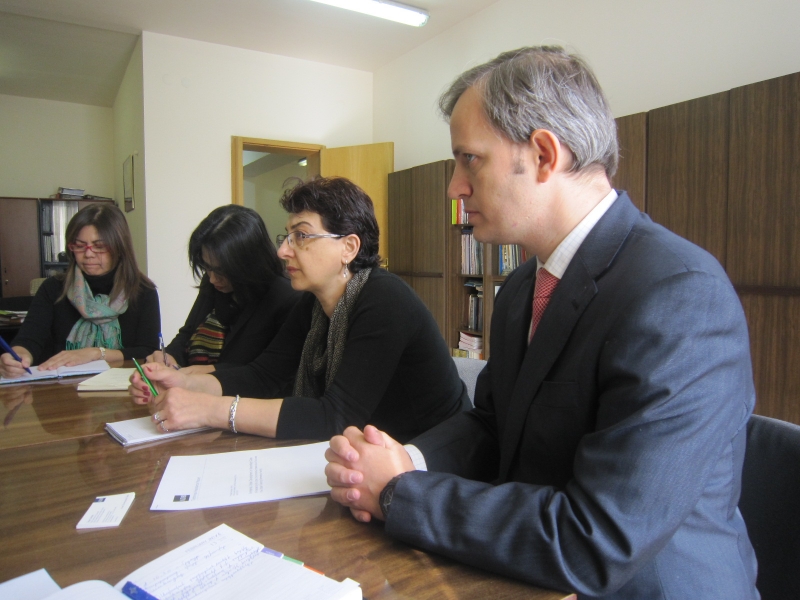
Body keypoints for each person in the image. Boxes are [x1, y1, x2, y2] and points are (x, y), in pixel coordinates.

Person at [324, 46, 759, 599]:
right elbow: (493, 425)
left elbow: (597, 539)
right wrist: (402, 460)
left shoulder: (679, 295)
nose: (454, 188)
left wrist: (401, 493)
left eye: (469, 159)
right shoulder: (522, 289)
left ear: (545, 155)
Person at [130, 177, 470, 442]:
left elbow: (335, 416)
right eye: (287, 236)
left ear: (349, 247)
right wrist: (183, 383)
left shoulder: (386, 299)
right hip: (370, 450)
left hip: (433, 453)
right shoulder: (313, 303)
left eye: (302, 236)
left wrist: (210, 410)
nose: (283, 251)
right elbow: (263, 376)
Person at [1, 203, 160, 377]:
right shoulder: (53, 288)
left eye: (99, 246)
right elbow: (29, 340)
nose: (88, 254)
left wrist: (96, 353)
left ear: (120, 248)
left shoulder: (143, 291)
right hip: (59, 387)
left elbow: (148, 352)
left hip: (124, 385)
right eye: (79, 245)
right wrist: (17, 356)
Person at [146, 205, 300, 374]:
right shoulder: (213, 284)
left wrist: (199, 375)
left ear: (250, 262)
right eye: (207, 267)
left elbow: (266, 371)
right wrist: (168, 357)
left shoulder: (285, 297)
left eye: (222, 270)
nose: (213, 279)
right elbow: (188, 334)